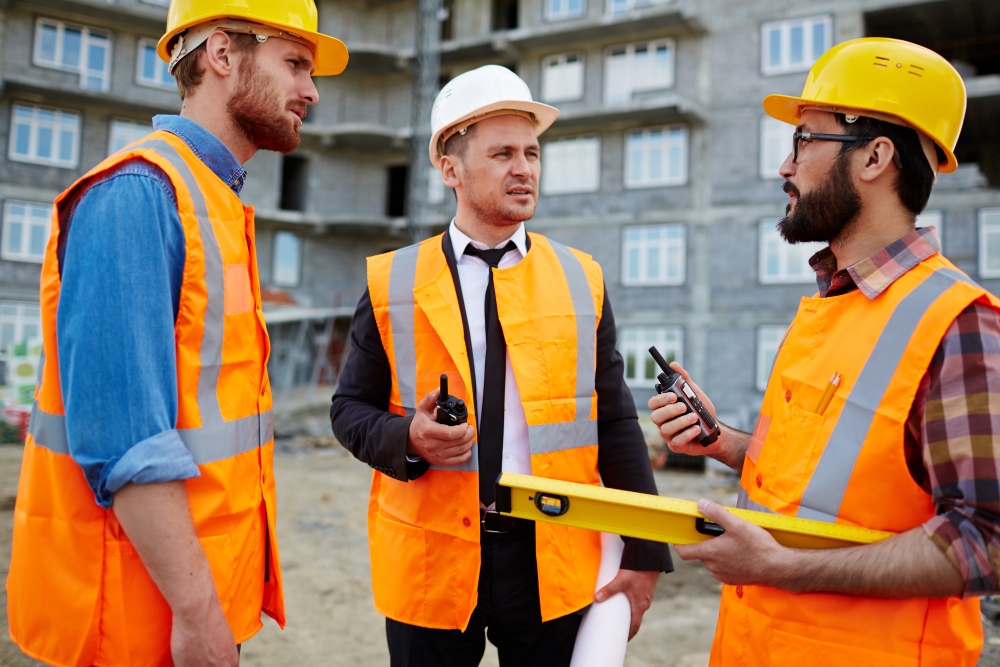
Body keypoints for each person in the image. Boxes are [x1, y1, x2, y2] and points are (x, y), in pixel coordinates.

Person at [6, 2, 347, 665]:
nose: (310, 90)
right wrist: (198, 615)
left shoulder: (213, 200)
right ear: (223, 54)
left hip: (188, 605)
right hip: (133, 622)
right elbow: (128, 440)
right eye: (295, 63)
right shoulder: (138, 194)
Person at [651, 37, 998, 666]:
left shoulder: (956, 323)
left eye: (804, 140)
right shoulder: (832, 302)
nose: (786, 167)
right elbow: (835, 485)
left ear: (874, 157)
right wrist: (726, 442)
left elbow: (987, 542)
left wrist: (782, 567)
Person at [330, 65, 672, 666]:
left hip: (554, 557)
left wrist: (645, 553)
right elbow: (348, 410)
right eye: (503, 153)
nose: (525, 168)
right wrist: (407, 436)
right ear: (451, 169)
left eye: (532, 152)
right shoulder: (392, 281)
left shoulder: (579, 278)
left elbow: (615, 422)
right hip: (432, 557)